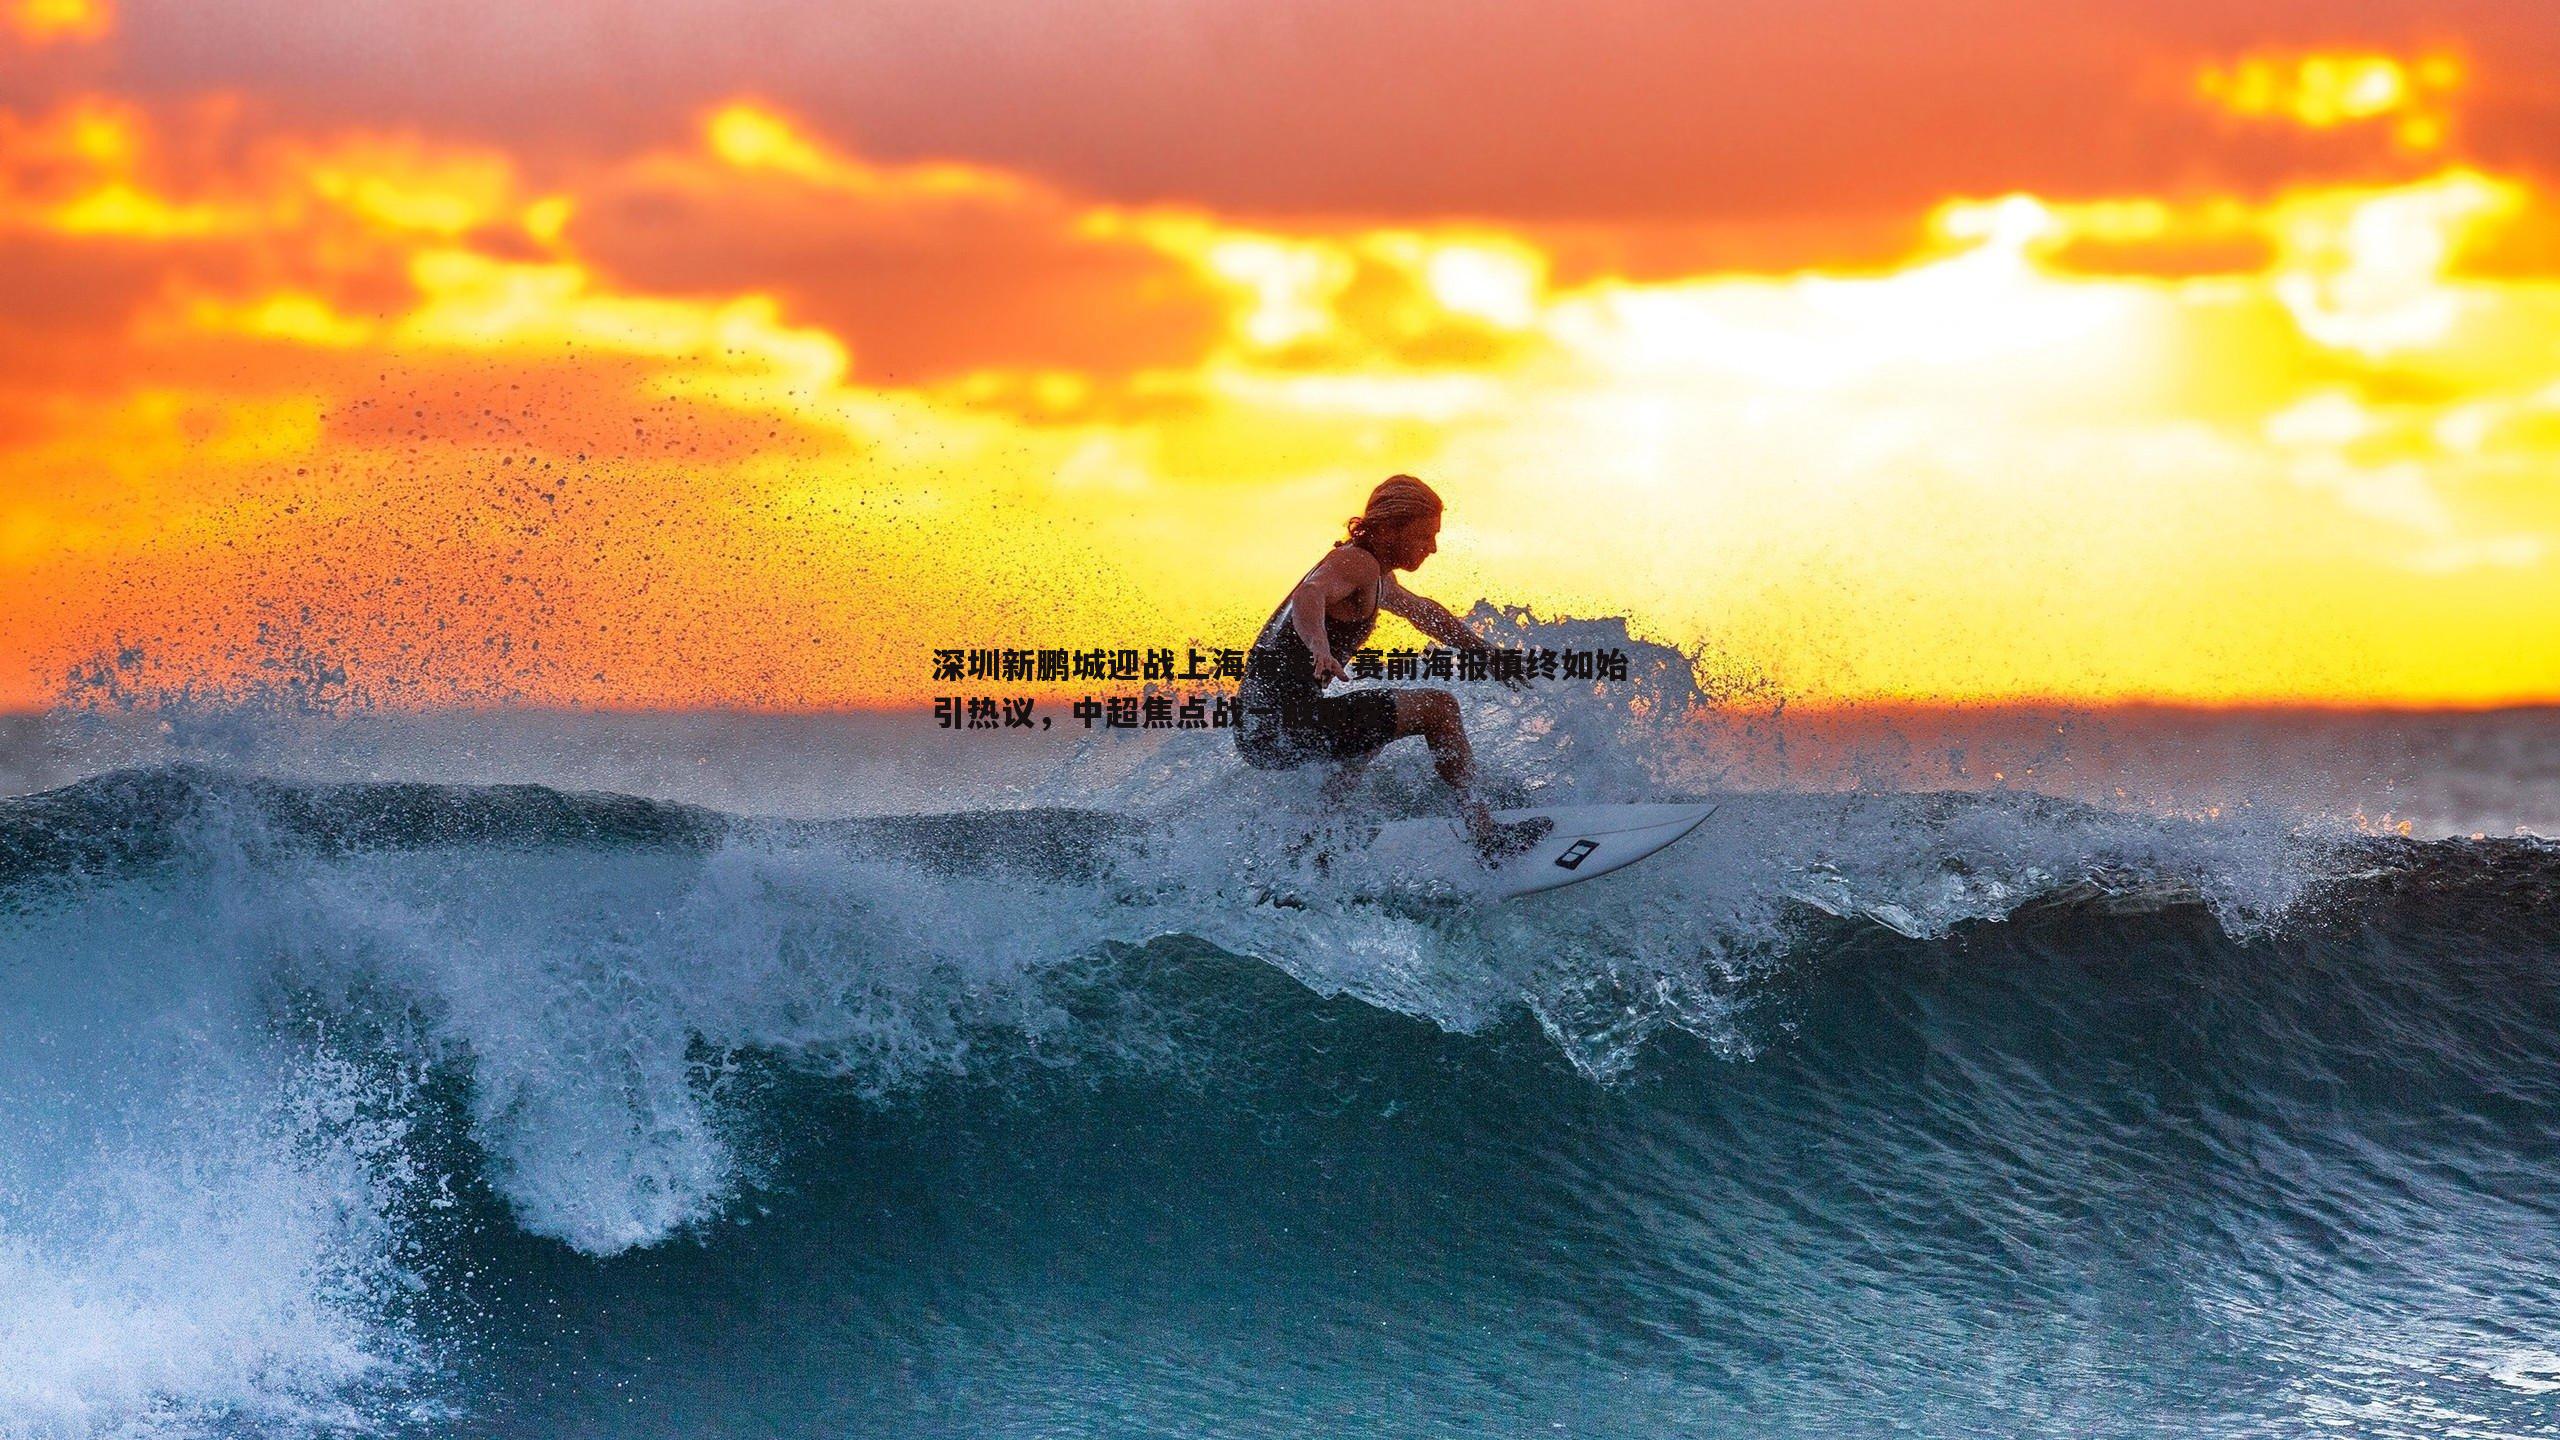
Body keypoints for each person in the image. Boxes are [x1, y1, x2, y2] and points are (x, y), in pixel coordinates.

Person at [1235, 475, 1550, 862]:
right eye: (1424, 536)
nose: (1432, 548)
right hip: (1283, 723)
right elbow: (1310, 593)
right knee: (1439, 709)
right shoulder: (1356, 562)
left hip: (1261, 730)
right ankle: (1486, 836)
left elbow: (1423, 612)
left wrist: (1487, 654)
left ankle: (1310, 847)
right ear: (1388, 528)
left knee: (1375, 728)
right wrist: (1319, 645)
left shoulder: (1375, 573)